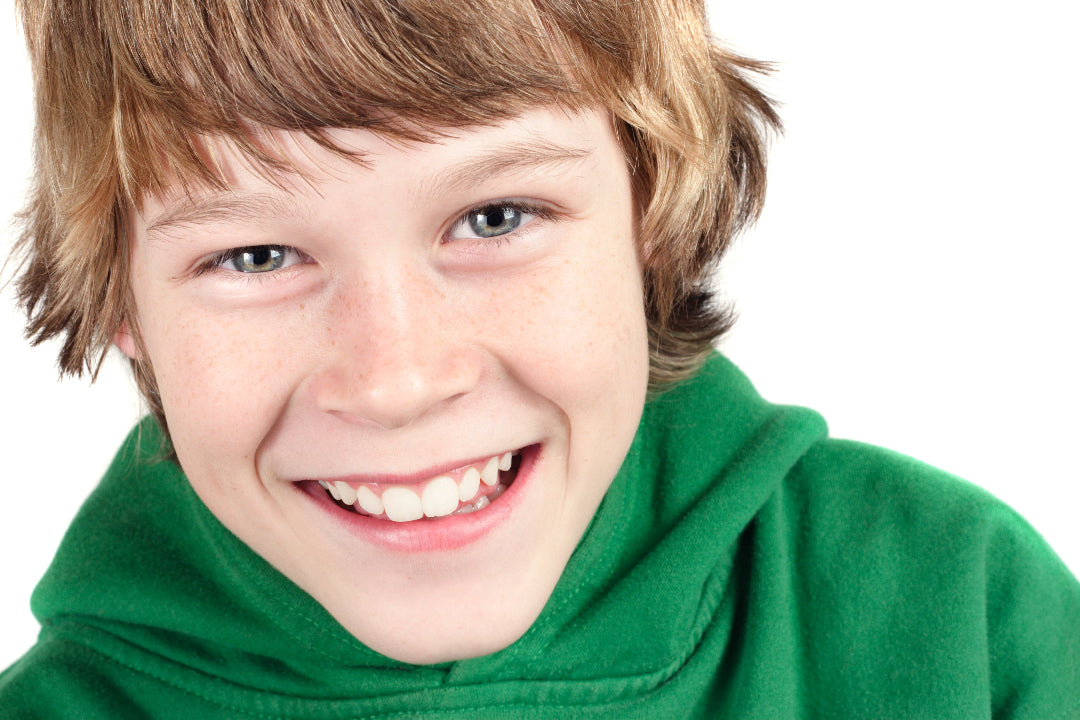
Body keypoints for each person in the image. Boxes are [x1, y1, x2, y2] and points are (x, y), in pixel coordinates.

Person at [2, 0, 1078, 717]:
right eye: (256, 254)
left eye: (496, 216)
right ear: (120, 303)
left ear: (651, 206)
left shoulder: (961, 611)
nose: (398, 379)